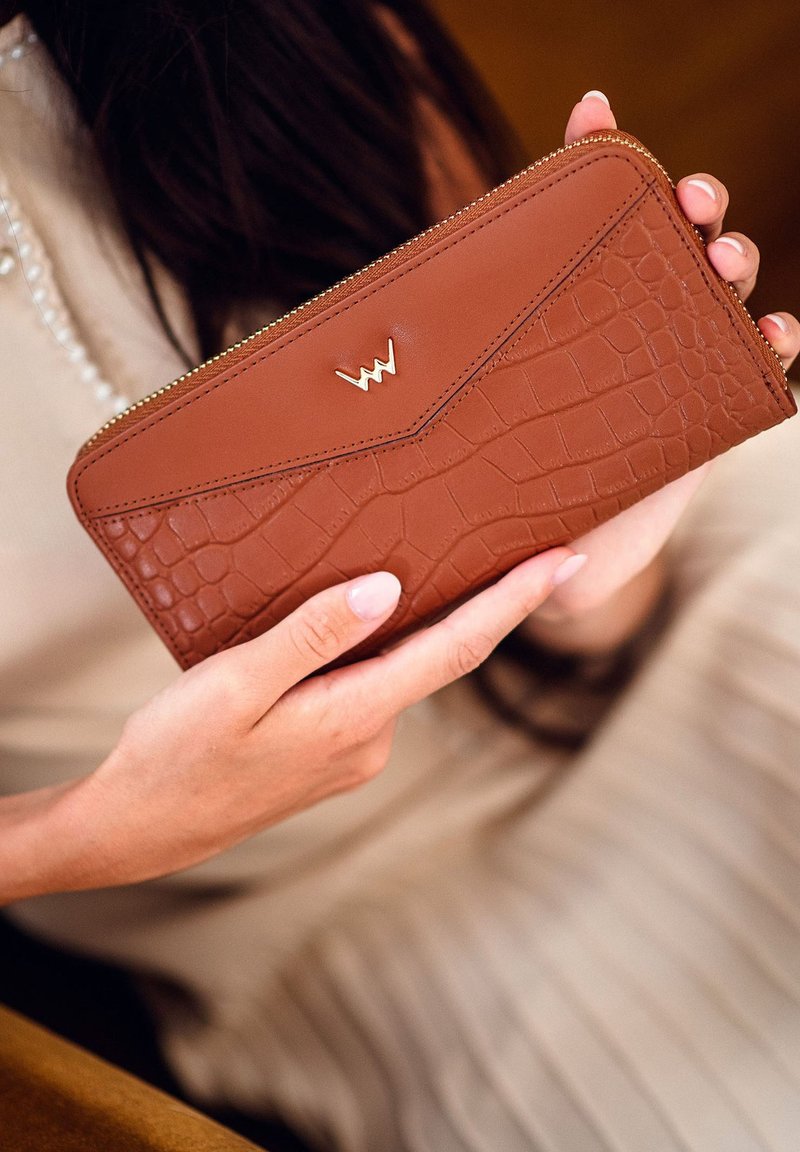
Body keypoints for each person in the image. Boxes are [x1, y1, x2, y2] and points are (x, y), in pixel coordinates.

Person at [1, 4, 799, 1150]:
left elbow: (579, 596)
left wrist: (591, 546)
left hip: (684, 603)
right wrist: (95, 833)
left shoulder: (242, 31)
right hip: (337, 896)